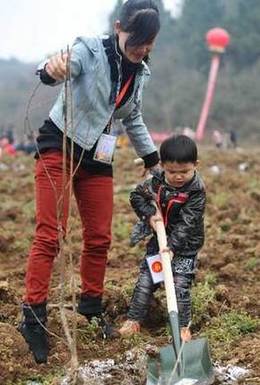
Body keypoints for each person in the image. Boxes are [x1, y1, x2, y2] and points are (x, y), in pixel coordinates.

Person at [19, 0, 161, 364]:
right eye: (136, 38)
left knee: (99, 237)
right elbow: (55, 67)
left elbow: (134, 118)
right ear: (118, 28)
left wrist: (152, 159)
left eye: (149, 41)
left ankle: (91, 308)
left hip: (98, 157)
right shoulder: (90, 49)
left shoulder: (140, 72)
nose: (141, 47)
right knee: (51, 233)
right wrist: (52, 70)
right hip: (60, 145)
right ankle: (33, 317)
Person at [119, 135, 206, 342]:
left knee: (179, 285)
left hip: (185, 246)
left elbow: (188, 223)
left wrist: (172, 247)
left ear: (196, 165)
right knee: (146, 281)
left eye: (184, 171)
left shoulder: (196, 191)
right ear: (162, 167)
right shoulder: (156, 181)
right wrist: (150, 214)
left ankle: (182, 327)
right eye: (172, 172)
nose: (178, 177)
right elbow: (136, 196)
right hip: (158, 240)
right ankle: (134, 320)